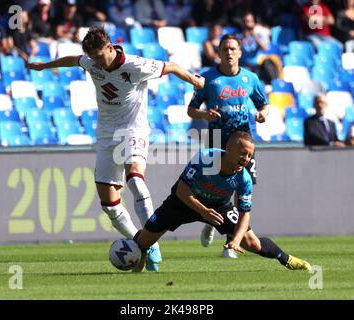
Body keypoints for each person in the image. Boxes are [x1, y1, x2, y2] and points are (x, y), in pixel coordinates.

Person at [26, 27, 205, 272]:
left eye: (101, 56)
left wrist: (195, 81)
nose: (98, 62)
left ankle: (150, 237)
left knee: (134, 178)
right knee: (109, 205)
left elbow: (170, 66)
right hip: (105, 135)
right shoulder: (90, 61)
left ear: (110, 47)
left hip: (133, 130)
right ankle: (142, 243)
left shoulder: (135, 65)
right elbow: (73, 61)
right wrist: (44, 66)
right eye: (94, 58)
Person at [133, 131, 311, 272]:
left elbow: (244, 214)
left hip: (219, 207)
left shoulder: (244, 179)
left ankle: (287, 259)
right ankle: (143, 252)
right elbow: (182, 189)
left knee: (253, 243)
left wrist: (236, 240)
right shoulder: (205, 158)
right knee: (142, 242)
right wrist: (202, 210)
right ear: (229, 149)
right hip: (183, 202)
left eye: (250, 156)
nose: (246, 159)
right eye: (243, 153)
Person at [187, 34, 269, 258]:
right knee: (214, 185)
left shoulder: (250, 78)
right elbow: (191, 109)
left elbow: (265, 104)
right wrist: (204, 114)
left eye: (233, 48)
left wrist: (262, 114)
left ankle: (230, 240)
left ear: (240, 52)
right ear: (219, 52)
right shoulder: (208, 79)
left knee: (242, 188)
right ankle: (213, 222)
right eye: (225, 49)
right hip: (216, 141)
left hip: (243, 143)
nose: (229, 52)